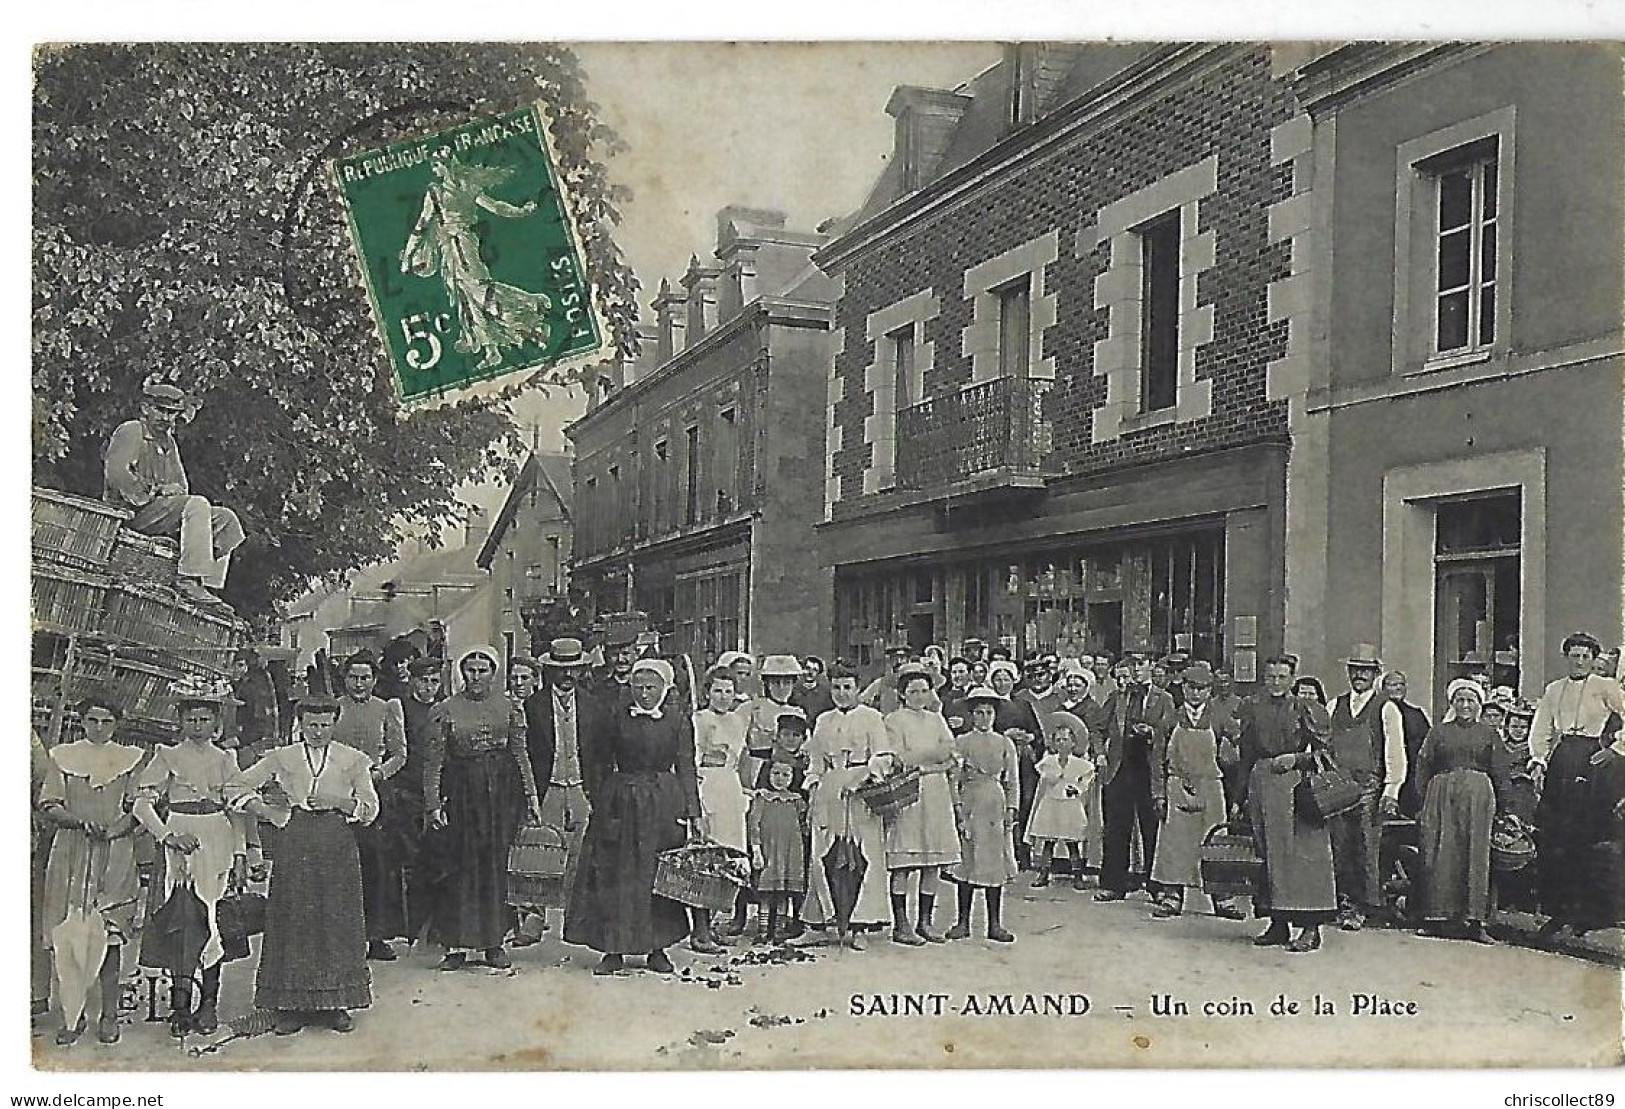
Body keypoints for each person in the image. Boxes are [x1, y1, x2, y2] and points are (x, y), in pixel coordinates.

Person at [228, 697, 378, 1034]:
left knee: (335, 918)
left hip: (337, 841)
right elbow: (235, 785)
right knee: (294, 917)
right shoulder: (283, 757)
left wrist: (338, 801)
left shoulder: (352, 760)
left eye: (325, 724)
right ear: (301, 724)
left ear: (334, 723)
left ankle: (335, 1004)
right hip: (295, 839)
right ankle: (291, 1005)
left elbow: (370, 807)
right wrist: (268, 812)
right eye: (312, 724)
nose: (318, 731)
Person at [567, 659, 703, 975]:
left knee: (658, 877)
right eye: (637, 687)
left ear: (665, 689)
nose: (643, 694)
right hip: (622, 801)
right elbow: (596, 760)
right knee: (617, 874)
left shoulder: (678, 721)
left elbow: (686, 766)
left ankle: (657, 948)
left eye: (650, 687)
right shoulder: (615, 718)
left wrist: (692, 811)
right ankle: (613, 948)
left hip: (662, 802)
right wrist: (601, 797)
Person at [133, 687, 250, 1036]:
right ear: (181, 721)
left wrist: (242, 852)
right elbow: (142, 805)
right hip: (179, 840)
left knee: (214, 919)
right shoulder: (167, 756)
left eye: (205, 719)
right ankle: (180, 1006)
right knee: (181, 919)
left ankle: (209, 1003)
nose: (198, 725)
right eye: (191, 719)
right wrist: (168, 836)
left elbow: (237, 807)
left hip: (216, 839)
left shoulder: (226, 758)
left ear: (216, 721)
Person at [420, 647, 543, 971]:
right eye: (470, 670)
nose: (476, 676)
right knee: (459, 868)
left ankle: (493, 943)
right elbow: (433, 763)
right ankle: (455, 946)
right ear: (462, 673)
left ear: (494, 672)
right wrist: (433, 805)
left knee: (494, 866)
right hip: (463, 794)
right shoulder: (445, 710)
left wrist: (531, 798)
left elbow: (520, 754)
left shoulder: (509, 707)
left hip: (501, 795)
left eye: (483, 670)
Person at [37, 698, 144, 1046]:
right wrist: (80, 823)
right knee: (69, 935)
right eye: (92, 720)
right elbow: (49, 803)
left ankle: (110, 1015)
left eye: (106, 720)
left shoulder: (131, 760)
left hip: (114, 850)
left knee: (109, 933)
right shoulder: (62, 757)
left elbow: (138, 806)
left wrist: (115, 829)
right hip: (71, 850)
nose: (99, 727)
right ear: (82, 721)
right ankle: (74, 1015)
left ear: (117, 722)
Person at [102, 379, 245, 608]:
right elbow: (117, 474)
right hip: (132, 513)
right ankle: (187, 579)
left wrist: (172, 494)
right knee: (198, 504)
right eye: (160, 410)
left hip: (162, 513)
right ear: (145, 408)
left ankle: (207, 585)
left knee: (226, 519)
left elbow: (181, 488)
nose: (166, 418)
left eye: (172, 413)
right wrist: (155, 491)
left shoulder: (168, 442)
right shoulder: (132, 431)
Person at [1229, 655, 1336, 953]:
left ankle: (1311, 928)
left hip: (1296, 785)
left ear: (1292, 679)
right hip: (1262, 783)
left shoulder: (1306, 708)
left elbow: (1326, 752)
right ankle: (1278, 923)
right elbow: (1246, 755)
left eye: (1282, 677)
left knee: (1302, 856)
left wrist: (1297, 759)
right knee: (1268, 855)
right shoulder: (1254, 707)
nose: (1276, 682)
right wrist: (1238, 799)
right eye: (1271, 676)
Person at [1529, 632, 1625, 939]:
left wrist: (1615, 749)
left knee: (1587, 837)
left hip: (1593, 761)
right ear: (1566, 656)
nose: (1580, 661)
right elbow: (1542, 726)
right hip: (1563, 758)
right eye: (1574, 655)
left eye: (1585, 656)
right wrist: (1539, 759)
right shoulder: (1554, 689)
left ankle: (1587, 914)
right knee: (1558, 837)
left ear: (1593, 659)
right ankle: (1559, 912)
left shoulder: (1605, 687)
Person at [518, 638, 607, 945]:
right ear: (550, 671)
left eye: (573, 669)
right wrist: (530, 794)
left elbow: (602, 754)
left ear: (581, 670)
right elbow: (526, 752)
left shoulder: (595, 705)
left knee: (581, 854)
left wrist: (599, 790)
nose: (567, 675)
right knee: (539, 851)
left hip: (583, 787)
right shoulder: (534, 705)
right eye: (561, 669)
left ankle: (575, 919)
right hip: (549, 787)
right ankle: (533, 917)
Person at [1410, 679, 1510, 943]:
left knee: (1475, 855)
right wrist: (1421, 801)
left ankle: (1475, 922)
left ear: (1479, 705)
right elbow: (1423, 765)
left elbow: (1500, 770)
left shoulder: (1489, 734)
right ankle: (1435, 918)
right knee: (1439, 853)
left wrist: (1506, 807)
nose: (1465, 705)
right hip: (1441, 797)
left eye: (1471, 701)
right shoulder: (1438, 732)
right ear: (1452, 703)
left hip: (1478, 797)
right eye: (1460, 700)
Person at [799, 661, 890, 949]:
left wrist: (864, 777)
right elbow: (815, 761)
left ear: (857, 688)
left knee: (862, 856)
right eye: (836, 687)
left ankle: (860, 924)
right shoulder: (823, 720)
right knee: (822, 852)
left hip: (861, 790)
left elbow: (884, 755)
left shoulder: (872, 717)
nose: (841, 693)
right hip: (830, 788)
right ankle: (823, 921)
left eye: (847, 687)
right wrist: (813, 785)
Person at [1148, 663, 1244, 920]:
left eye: (1202, 689)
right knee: (1174, 843)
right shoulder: (1170, 719)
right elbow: (1157, 758)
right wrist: (1158, 793)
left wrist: (1232, 750)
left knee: (1216, 842)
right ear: (1183, 687)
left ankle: (1223, 899)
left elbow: (1238, 749)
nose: (1196, 694)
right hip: (1177, 785)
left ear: (1210, 691)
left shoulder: (1220, 717)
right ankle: (1172, 896)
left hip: (1210, 786)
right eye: (1191, 688)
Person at [1324, 645, 1408, 932]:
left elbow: (1395, 752)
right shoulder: (1334, 706)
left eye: (1365, 671)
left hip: (1368, 786)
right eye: (1355, 670)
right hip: (1336, 785)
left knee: (1364, 845)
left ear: (1375, 674)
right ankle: (1338, 902)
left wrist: (1391, 790)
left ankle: (1360, 906)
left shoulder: (1386, 708)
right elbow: (1321, 746)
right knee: (1336, 843)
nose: (1359, 675)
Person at [875, 665, 962, 945]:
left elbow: (952, 753)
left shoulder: (937, 719)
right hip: (908, 792)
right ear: (902, 694)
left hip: (936, 793)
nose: (919, 696)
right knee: (904, 861)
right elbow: (899, 759)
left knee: (932, 860)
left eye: (925, 691)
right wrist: (930, 758)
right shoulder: (893, 720)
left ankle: (925, 921)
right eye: (913, 691)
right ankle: (901, 924)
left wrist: (931, 761)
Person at [330, 651, 408, 960]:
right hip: (338, 795)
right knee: (342, 866)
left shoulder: (386, 709)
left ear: (375, 680)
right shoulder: (334, 708)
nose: (359, 684)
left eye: (365, 678)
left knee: (376, 866)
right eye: (353, 677)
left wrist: (377, 774)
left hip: (375, 795)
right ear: (344, 679)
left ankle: (375, 936)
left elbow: (399, 754)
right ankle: (343, 936)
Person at [1096, 654, 1176, 903]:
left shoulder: (1164, 699)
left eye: (1141, 666)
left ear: (1151, 667)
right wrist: (1100, 754)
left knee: (1152, 827)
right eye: (1132, 667)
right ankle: (1113, 884)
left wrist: (1151, 732)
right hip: (1120, 768)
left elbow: (1170, 731)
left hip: (1149, 769)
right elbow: (1097, 727)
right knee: (1116, 827)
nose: (1136, 671)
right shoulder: (1118, 697)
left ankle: (1157, 885)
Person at [946, 687, 1020, 942]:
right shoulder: (962, 742)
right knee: (967, 861)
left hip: (994, 805)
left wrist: (1012, 809)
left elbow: (1013, 781)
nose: (984, 718)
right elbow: (953, 779)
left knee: (993, 863)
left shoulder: (1004, 743)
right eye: (979, 713)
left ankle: (994, 924)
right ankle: (963, 921)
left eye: (989, 713)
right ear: (972, 715)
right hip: (970, 801)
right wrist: (957, 810)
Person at [691, 668, 749, 953]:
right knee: (706, 858)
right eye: (717, 690)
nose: (723, 697)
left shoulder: (738, 721)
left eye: (728, 691)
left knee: (730, 857)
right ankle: (699, 930)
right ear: (707, 692)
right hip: (707, 787)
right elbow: (697, 758)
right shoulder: (699, 719)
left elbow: (734, 758)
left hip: (729, 788)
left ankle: (714, 923)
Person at [397, 655, 444, 937]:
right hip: (409, 792)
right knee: (409, 860)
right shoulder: (402, 709)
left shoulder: (444, 708)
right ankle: (410, 925)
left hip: (437, 794)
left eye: (434, 681)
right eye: (424, 681)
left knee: (437, 859)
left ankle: (434, 925)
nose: (429, 687)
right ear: (412, 681)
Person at [1025, 711, 1092, 890]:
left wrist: (1076, 789)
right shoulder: (1048, 762)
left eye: (1066, 740)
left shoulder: (1080, 764)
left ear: (1073, 743)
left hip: (1070, 805)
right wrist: (1054, 775)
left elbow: (1085, 782)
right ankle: (1044, 872)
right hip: (1052, 803)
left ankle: (1077, 874)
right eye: (1058, 740)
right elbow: (1046, 778)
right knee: (1049, 840)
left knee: (1072, 842)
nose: (1062, 743)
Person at [987, 659, 1044, 866]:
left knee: (1025, 802)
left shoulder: (1023, 704)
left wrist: (1029, 737)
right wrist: (1005, 735)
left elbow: (1037, 732)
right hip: (999, 758)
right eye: (998, 679)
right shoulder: (989, 702)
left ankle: (1024, 852)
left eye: (1006, 679)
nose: (1002, 684)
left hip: (1023, 760)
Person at [748, 760, 808, 944]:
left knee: (784, 893)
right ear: (768, 774)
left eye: (785, 775)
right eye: (776, 774)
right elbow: (754, 825)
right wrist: (756, 851)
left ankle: (779, 929)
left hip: (790, 853)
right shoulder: (762, 798)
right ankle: (763, 929)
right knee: (765, 893)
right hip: (769, 851)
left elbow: (805, 825)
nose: (780, 779)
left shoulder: (796, 800)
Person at [745, 655, 804, 790]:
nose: (781, 688)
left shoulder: (798, 712)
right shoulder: (753, 708)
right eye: (776, 682)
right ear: (767, 683)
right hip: (758, 768)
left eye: (787, 682)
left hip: (789, 773)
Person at [1384, 671, 1434, 819]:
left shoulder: (1416, 715)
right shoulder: (1376, 713)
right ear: (1383, 688)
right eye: (1393, 684)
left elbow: (1427, 747)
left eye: (1401, 684)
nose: (1398, 688)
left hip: (1411, 780)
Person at [860, 646, 915, 714]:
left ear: (908, 661)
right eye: (895, 658)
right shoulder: (882, 682)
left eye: (903, 658)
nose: (899, 661)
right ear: (889, 661)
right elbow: (863, 699)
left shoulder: (915, 682)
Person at [793, 655, 836, 723]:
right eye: (808, 668)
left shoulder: (826, 693)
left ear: (818, 672)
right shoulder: (794, 691)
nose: (810, 672)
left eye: (815, 670)